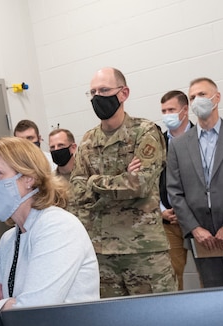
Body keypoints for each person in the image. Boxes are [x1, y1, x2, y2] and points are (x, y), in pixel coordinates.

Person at [70, 67, 175, 297]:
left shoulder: (144, 131)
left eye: (104, 90)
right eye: (93, 92)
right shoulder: (88, 140)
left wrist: (94, 182)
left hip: (143, 251)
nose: (98, 97)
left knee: (158, 321)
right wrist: (118, 179)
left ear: (123, 93)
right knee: (111, 325)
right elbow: (76, 192)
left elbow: (138, 185)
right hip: (101, 252)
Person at [0, 137, 99, 312]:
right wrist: (9, 304)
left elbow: (33, 312)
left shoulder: (58, 226)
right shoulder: (8, 239)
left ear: (28, 178)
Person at [166, 77, 223, 287]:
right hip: (203, 239)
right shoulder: (179, 146)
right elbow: (175, 192)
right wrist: (195, 229)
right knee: (214, 299)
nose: (197, 100)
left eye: (202, 95)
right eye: (192, 97)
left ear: (216, 98)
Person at [159, 90, 192, 290]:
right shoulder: (157, 143)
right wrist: (161, 209)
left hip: (200, 221)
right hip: (168, 220)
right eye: (163, 110)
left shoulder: (202, 137)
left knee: (210, 273)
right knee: (172, 274)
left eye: (171, 109)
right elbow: (151, 181)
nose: (167, 115)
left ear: (185, 110)